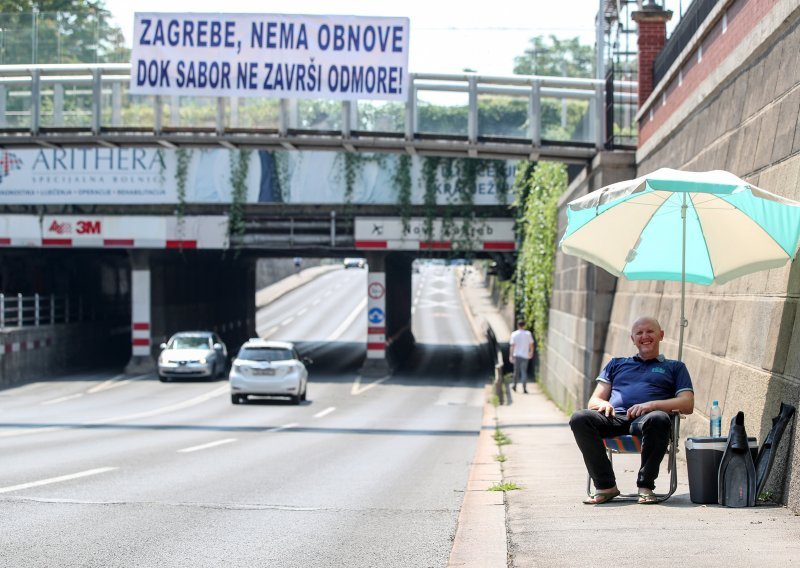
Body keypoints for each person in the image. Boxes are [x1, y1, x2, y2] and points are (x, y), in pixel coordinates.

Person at [569, 316, 694, 505]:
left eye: (650, 331)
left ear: (661, 335)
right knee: (579, 418)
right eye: (639, 333)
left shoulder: (675, 367)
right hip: (615, 418)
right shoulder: (616, 364)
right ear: (632, 339)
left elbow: (687, 403)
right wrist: (603, 404)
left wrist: (651, 405)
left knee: (659, 418)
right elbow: (594, 400)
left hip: (648, 420)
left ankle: (645, 486)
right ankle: (605, 486)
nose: (645, 336)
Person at [509, 320, 534, 393]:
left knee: (516, 372)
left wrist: (511, 356)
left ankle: (514, 385)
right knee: (524, 372)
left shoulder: (514, 334)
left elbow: (512, 346)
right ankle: (524, 388)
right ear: (524, 325)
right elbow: (531, 344)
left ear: (517, 325)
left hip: (517, 355)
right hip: (525, 356)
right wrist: (531, 352)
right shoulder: (528, 334)